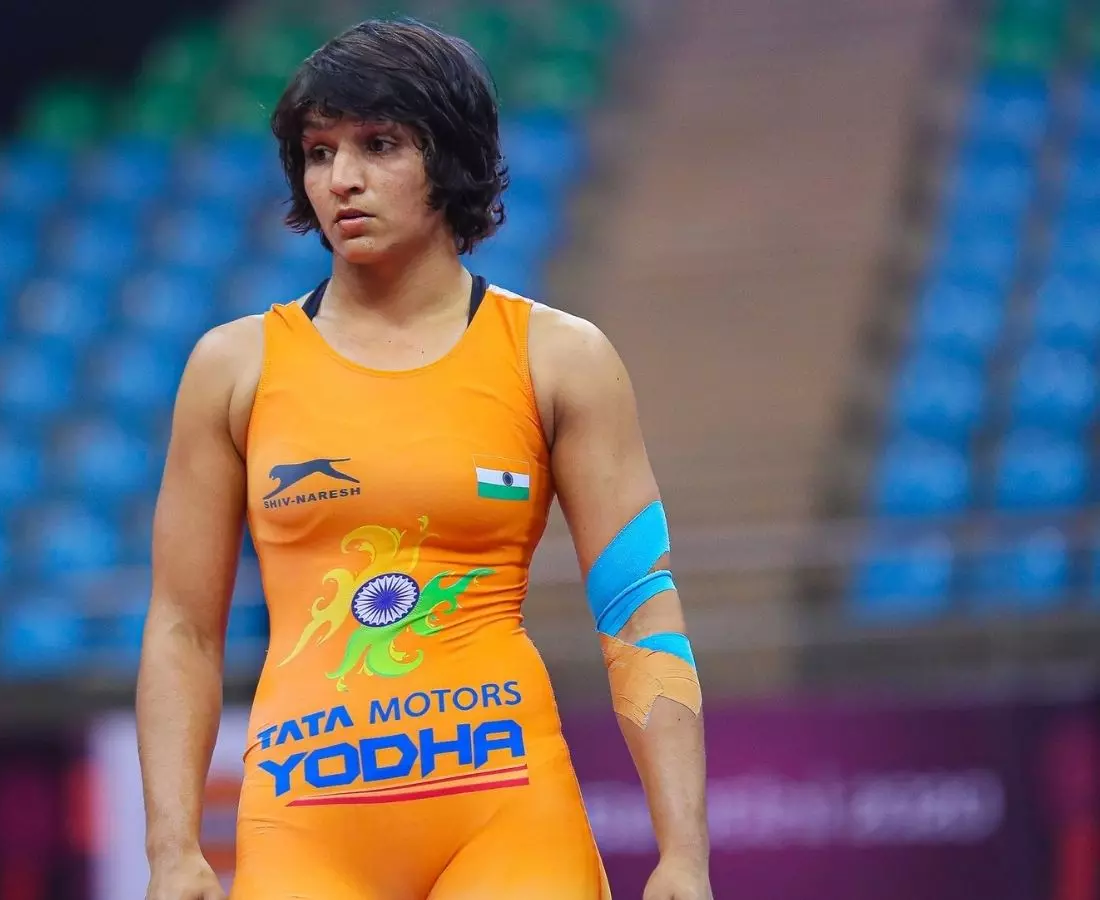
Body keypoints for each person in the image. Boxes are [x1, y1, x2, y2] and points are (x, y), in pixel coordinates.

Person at [136, 17, 711, 900]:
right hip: (307, 829)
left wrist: (684, 852)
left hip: (506, 813)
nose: (342, 178)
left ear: (450, 158)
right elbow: (184, 626)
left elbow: (638, 607)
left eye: (379, 145)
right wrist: (172, 850)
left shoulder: (558, 358)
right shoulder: (234, 368)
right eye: (319, 152)